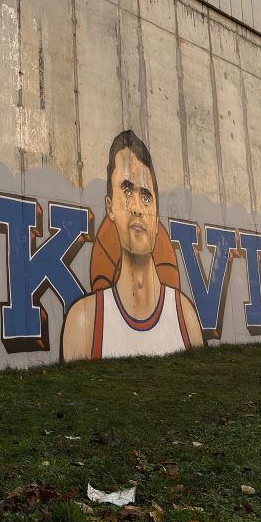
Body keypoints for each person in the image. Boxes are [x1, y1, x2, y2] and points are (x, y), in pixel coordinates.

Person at [62, 130, 203, 360]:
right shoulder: (84, 322)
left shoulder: (185, 318)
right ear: (110, 208)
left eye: (146, 197)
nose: (137, 208)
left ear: (157, 218)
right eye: (127, 191)